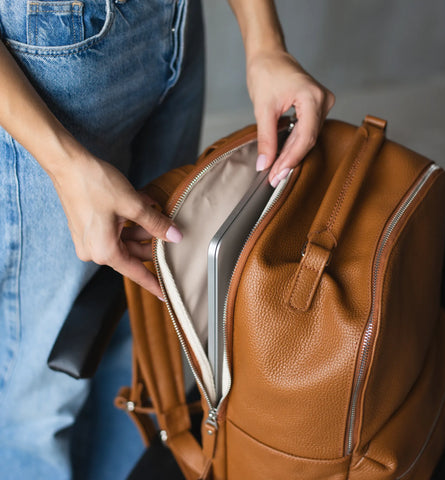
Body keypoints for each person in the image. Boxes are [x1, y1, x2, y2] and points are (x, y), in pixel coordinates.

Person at [0, 0, 335, 478]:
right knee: (41, 391)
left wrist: (264, 43)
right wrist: (65, 166)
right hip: (47, 57)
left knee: (141, 319)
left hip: (174, 22)